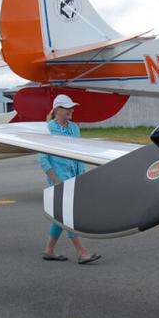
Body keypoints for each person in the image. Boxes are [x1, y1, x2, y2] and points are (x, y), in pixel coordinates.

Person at [38, 94, 101, 265]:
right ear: (57, 110)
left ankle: (49, 250)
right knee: (67, 215)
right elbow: (43, 159)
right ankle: (82, 252)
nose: (71, 110)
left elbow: (79, 152)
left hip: (75, 176)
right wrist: (56, 180)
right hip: (59, 179)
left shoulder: (74, 128)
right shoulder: (48, 129)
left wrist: (83, 175)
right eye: (68, 108)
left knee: (61, 216)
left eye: (72, 107)